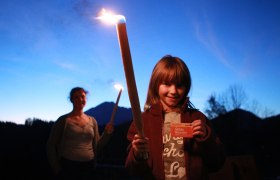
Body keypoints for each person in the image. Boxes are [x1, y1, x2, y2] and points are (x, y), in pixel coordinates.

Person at [125, 55, 225, 180]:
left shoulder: (198, 118)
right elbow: (131, 170)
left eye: (179, 85)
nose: (173, 91)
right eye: (167, 84)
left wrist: (206, 138)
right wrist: (137, 154)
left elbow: (216, 163)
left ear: (186, 87)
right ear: (156, 85)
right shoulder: (143, 121)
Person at [46, 87, 114, 180]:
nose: (80, 99)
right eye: (76, 97)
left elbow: (98, 145)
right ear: (71, 100)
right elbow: (51, 145)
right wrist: (57, 168)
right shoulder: (63, 121)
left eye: (82, 96)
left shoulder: (92, 121)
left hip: (88, 166)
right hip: (68, 166)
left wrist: (107, 133)